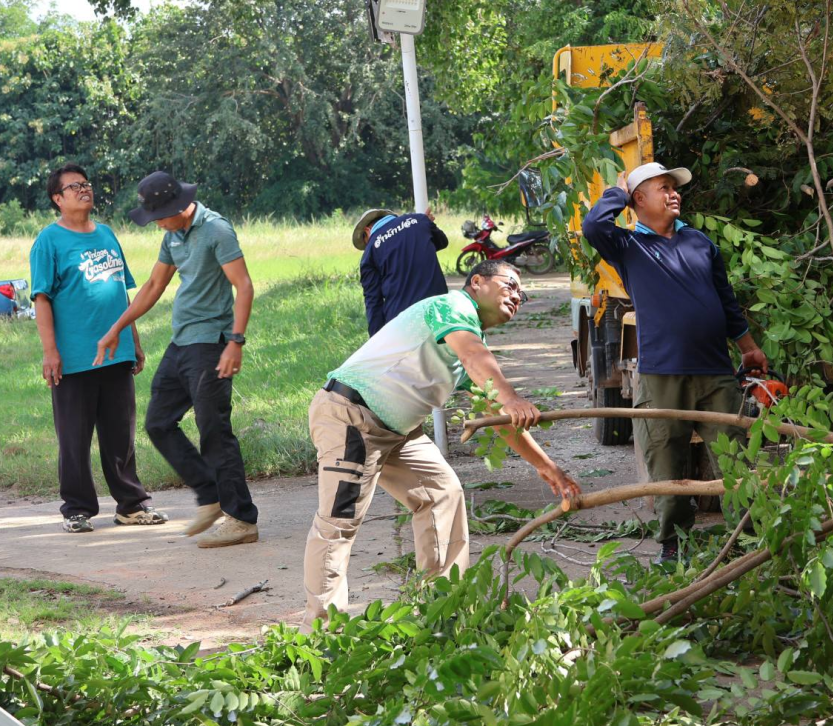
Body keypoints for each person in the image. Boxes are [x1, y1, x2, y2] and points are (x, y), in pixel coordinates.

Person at [301, 259, 582, 631]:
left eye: (522, 293)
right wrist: (512, 397)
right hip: (352, 416)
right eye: (510, 284)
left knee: (443, 494)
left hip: (399, 432)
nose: (517, 295)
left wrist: (547, 466)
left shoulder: (467, 336)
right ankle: (319, 634)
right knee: (339, 522)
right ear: (477, 282)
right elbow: (476, 360)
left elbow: (497, 414)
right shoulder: (451, 308)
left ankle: (440, 611)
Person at [582, 162, 767, 563]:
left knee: (736, 458)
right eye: (663, 188)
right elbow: (594, 226)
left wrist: (748, 347)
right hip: (661, 376)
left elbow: (726, 301)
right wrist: (618, 193)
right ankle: (673, 544)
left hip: (716, 372)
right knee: (666, 462)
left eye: (675, 187)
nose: (673, 193)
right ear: (639, 200)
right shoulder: (629, 247)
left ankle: (748, 541)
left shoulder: (700, 242)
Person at [94, 171, 258, 549]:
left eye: (158, 217)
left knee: (213, 428)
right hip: (181, 341)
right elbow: (154, 285)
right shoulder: (173, 235)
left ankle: (242, 519)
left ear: (179, 207)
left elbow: (244, 285)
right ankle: (211, 495)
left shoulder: (216, 230)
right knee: (158, 422)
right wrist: (117, 327)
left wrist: (235, 342)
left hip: (211, 342)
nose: (155, 224)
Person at [30, 163, 167, 533]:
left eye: (86, 184)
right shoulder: (49, 241)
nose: (83, 190)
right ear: (57, 199)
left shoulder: (106, 234)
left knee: (120, 436)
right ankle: (77, 508)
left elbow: (122, 291)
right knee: (74, 438)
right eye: (74, 187)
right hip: (74, 357)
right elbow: (41, 298)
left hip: (116, 353)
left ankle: (131, 505)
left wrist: (133, 341)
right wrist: (50, 351)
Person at [352, 208, 449, 336]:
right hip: (439, 310)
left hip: (402, 322)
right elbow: (442, 242)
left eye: (365, 241)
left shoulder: (369, 253)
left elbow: (373, 301)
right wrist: (424, 226)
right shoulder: (418, 220)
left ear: (367, 231)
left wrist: (376, 339)